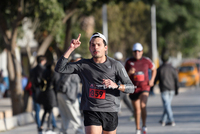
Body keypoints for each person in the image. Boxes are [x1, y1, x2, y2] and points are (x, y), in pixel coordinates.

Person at [55, 32, 135, 134]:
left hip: (110, 110)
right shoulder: (83, 65)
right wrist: (71, 49)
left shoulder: (116, 65)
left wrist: (116, 86)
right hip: (91, 110)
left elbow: (131, 87)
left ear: (105, 47)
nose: (95, 47)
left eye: (98, 44)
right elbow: (59, 68)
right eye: (92, 45)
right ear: (89, 48)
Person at [125, 43, 157, 134]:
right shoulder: (128, 62)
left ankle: (144, 125)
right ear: (133, 52)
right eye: (135, 51)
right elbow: (123, 76)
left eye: (139, 51)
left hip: (144, 87)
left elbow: (154, 69)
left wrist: (152, 80)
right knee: (137, 110)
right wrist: (129, 73)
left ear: (142, 52)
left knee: (143, 106)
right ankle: (138, 128)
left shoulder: (147, 61)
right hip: (133, 88)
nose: (137, 53)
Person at [57, 53, 84, 134]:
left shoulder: (68, 67)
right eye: (78, 59)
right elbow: (66, 82)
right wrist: (70, 96)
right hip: (68, 95)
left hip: (62, 94)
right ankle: (79, 131)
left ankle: (63, 131)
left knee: (64, 115)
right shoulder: (73, 68)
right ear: (73, 60)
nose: (80, 61)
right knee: (74, 114)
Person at [30, 55, 57, 133]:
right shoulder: (45, 70)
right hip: (44, 92)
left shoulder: (32, 70)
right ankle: (52, 125)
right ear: (42, 61)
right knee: (49, 109)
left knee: (38, 110)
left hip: (35, 92)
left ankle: (40, 126)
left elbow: (31, 81)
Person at [154, 53, 179, 127]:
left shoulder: (160, 68)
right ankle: (163, 120)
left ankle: (171, 120)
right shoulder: (172, 68)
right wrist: (177, 89)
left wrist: (151, 87)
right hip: (172, 89)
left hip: (164, 89)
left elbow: (155, 79)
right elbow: (176, 79)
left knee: (167, 105)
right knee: (167, 105)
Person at [39, 63, 59, 133]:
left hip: (44, 93)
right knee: (50, 111)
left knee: (45, 111)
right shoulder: (54, 73)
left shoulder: (44, 72)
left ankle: (41, 125)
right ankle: (48, 127)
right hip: (51, 93)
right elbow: (56, 85)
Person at [114, 52, 135, 120]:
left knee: (116, 100)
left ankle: (114, 115)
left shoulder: (115, 64)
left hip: (119, 86)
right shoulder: (124, 64)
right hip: (123, 85)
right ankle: (134, 112)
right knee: (125, 100)